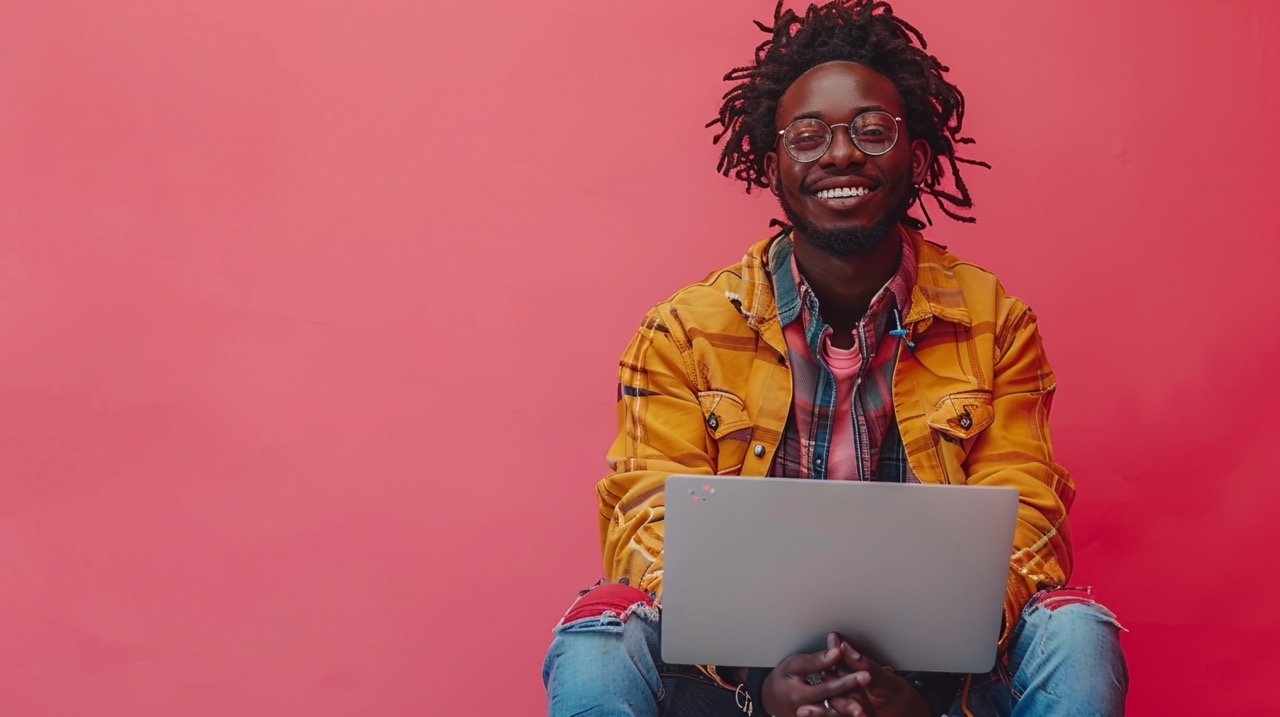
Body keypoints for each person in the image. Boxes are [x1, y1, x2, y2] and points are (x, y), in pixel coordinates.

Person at [542, 1, 1128, 715]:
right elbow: (645, 523)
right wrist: (761, 683)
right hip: (738, 686)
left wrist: (913, 691)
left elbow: (1027, 520)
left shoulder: (995, 323)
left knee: (1077, 633)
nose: (842, 154)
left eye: (872, 130)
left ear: (916, 156)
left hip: (941, 688)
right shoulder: (682, 333)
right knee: (599, 637)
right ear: (771, 164)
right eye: (808, 135)